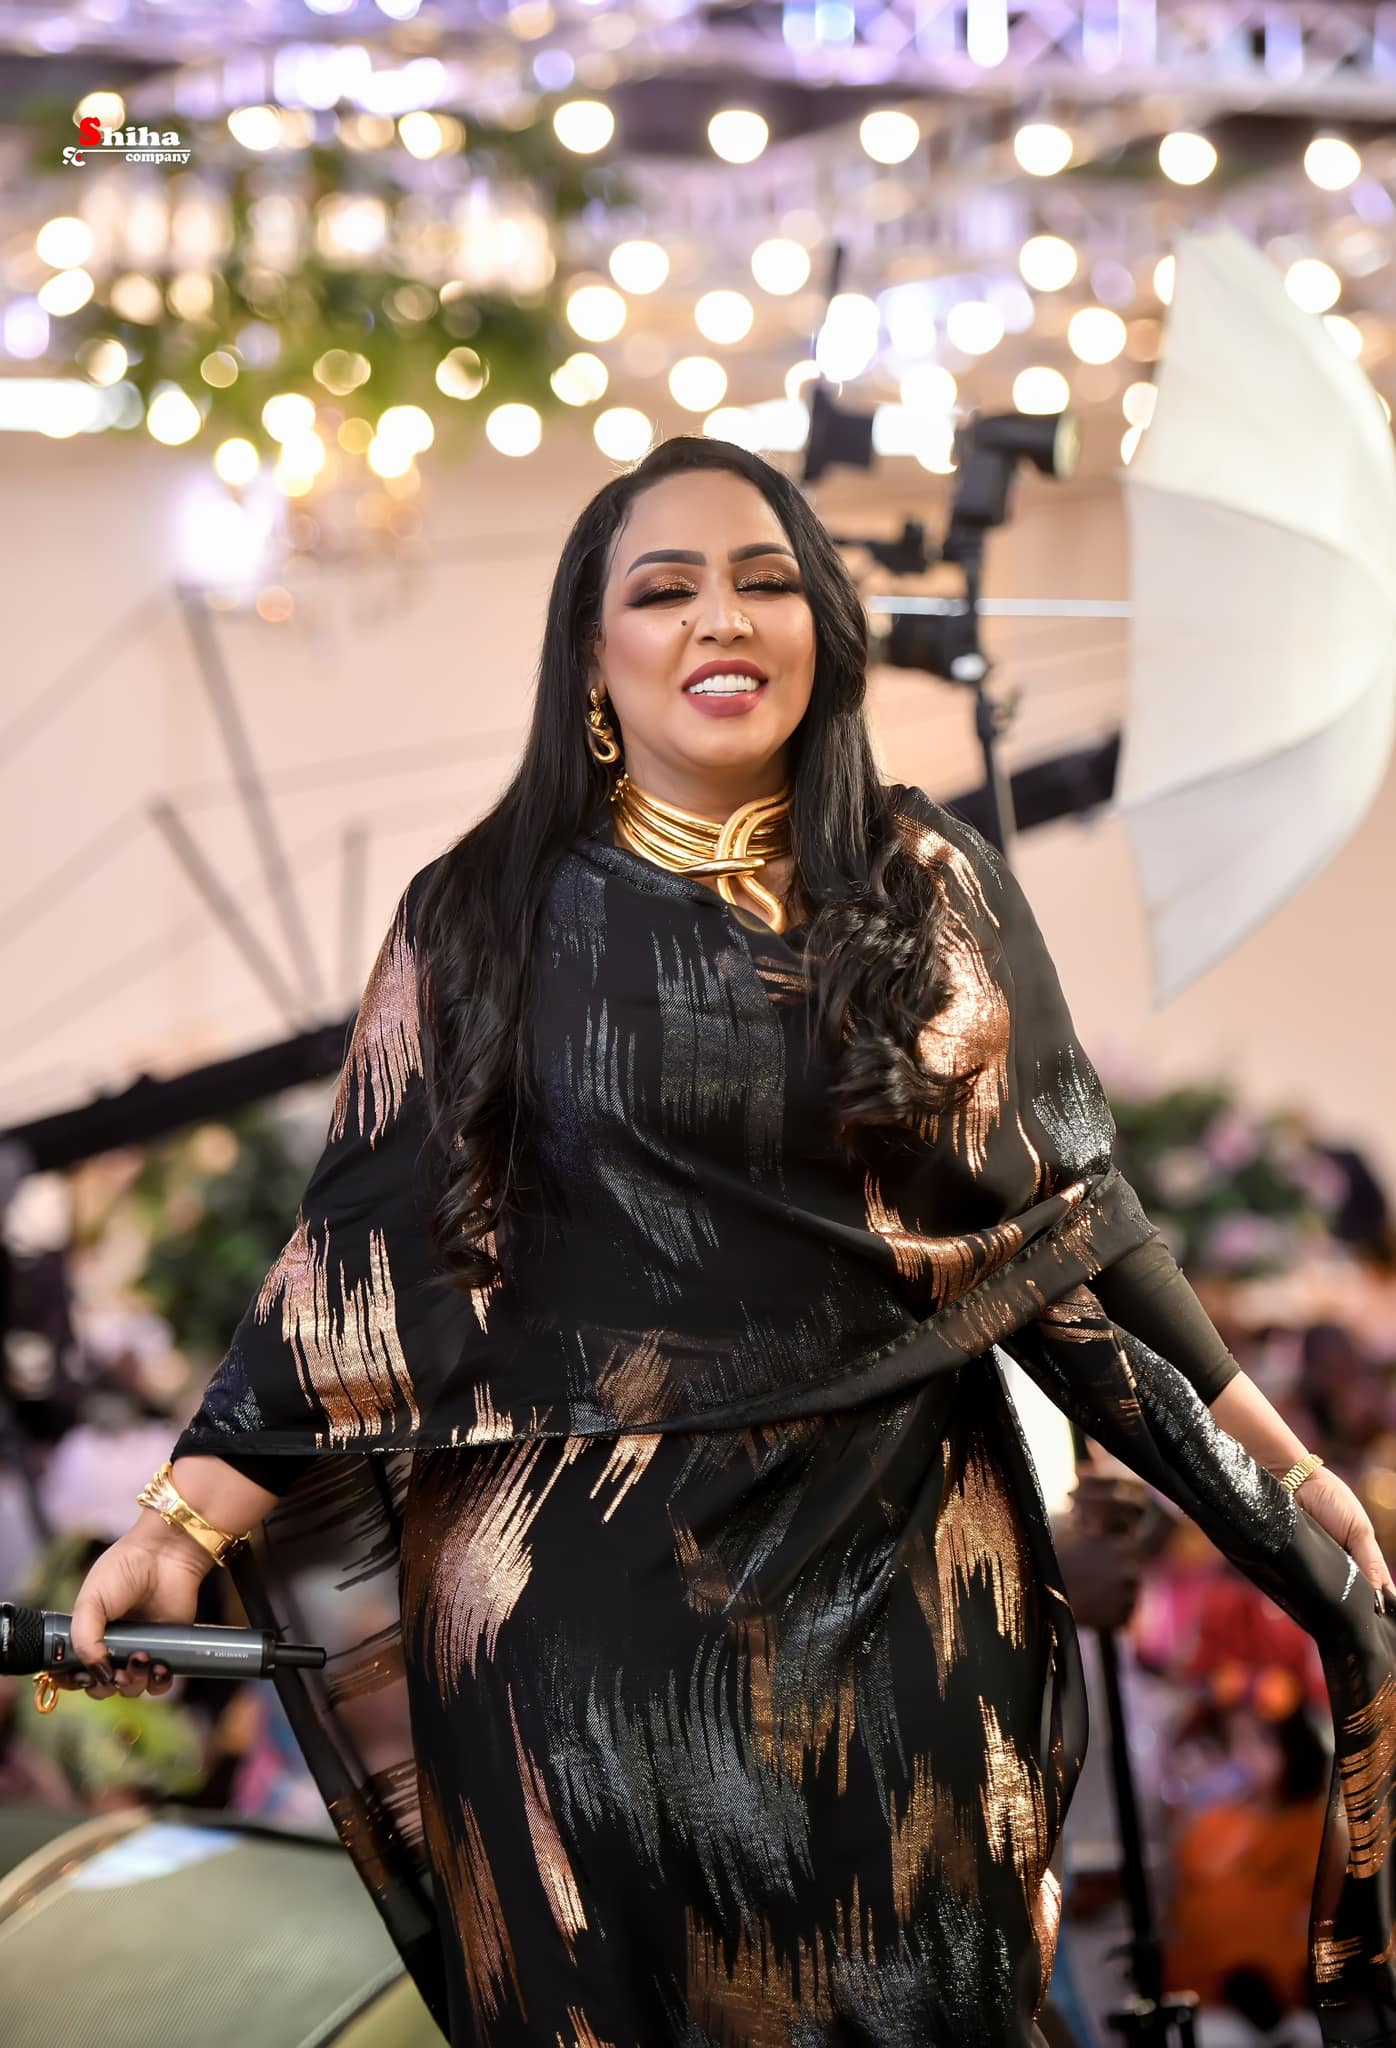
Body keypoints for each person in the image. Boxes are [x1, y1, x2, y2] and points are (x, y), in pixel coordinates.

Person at [52, 438, 1396, 2047]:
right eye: (666, 589)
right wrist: (178, 1523)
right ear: (592, 655)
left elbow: (1075, 1225)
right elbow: (359, 1268)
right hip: (580, 1639)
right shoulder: (481, 915)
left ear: (823, 628)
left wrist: (1282, 1470)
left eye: (766, 582)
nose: (722, 618)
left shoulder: (932, 891)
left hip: (904, 1585)